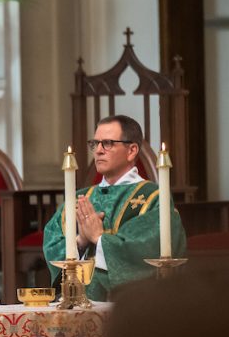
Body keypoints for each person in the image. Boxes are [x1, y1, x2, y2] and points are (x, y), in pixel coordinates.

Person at [42, 114, 187, 301]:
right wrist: (80, 241)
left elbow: (148, 247)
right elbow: (52, 242)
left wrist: (99, 238)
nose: (98, 151)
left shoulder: (154, 198)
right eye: (95, 143)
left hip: (129, 305)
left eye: (107, 143)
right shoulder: (79, 198)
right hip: (77, 304)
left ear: (131, 150)